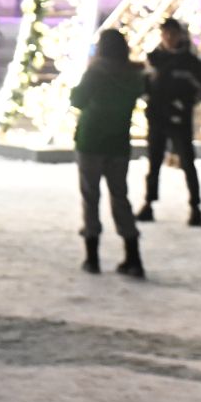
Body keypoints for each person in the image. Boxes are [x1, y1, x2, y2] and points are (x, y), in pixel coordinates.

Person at [71, 28, 147, 277]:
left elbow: (78, 99)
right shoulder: (134, 74)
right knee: (120, 196)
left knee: (90, 196)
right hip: (118, 142)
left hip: (91, 140)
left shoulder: (96, 72)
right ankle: (132, 254)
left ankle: (92, 257)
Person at [137, 18, 201, 226]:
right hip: (157, 117)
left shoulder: (190, 62)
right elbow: (144, 85)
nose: (169, 38)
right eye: (165, 34)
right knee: (154, 162)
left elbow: (200, 88)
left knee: (187, 162)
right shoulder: (153, 59)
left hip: (179, 118)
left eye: (172, 34)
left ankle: (195, 206)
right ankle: (148, 203)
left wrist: (183, 104)